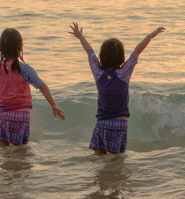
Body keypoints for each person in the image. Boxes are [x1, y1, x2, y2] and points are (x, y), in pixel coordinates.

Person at [67, 21, 164, 154]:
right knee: (117, 162)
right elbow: (137, 51)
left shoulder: (98, 73)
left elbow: (89, 52)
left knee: (99, 160)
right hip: (120, 124)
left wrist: (81, 37)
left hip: (102, 123)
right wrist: (150, 36)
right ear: (121, 57)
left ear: (102, 56)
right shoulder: (123, 73)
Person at [0, 27, 65, 146]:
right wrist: (53, 105)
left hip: (4, 116)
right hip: (22, 116)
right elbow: (41, 85)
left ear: (0, 47)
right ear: (20, 47)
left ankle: (6, 164)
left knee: (3, 151)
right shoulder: (25, 69)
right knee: (19, 152)